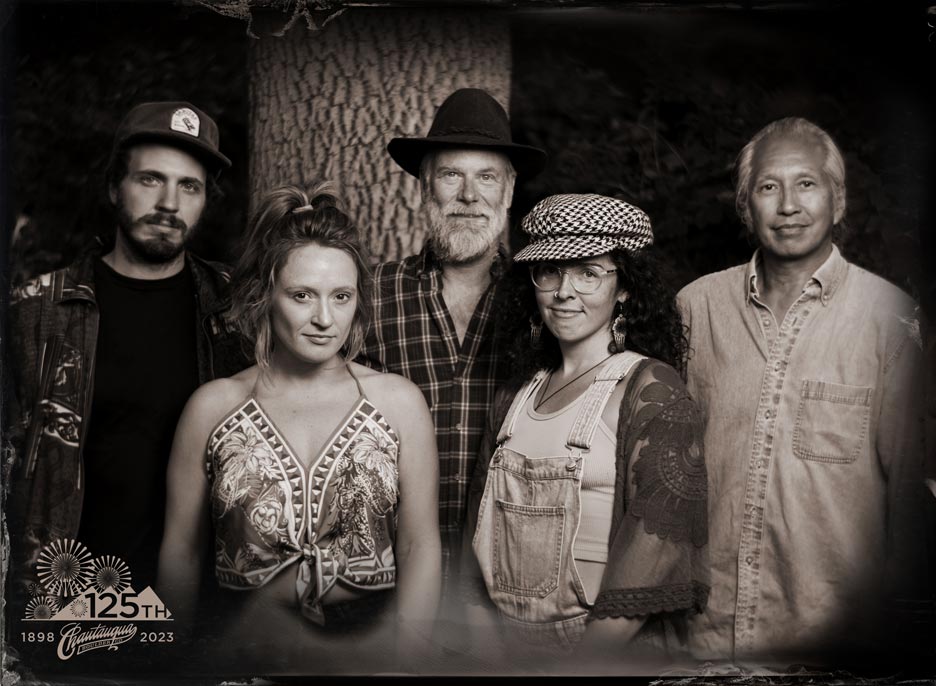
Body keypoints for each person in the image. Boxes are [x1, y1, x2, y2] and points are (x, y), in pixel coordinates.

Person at [678, 117, 936, 669]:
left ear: (838, 201)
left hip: (829, 653)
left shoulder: (890, 320)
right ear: (746, 208)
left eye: (807, 184)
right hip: (699, 644)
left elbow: (909, 501)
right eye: (769, 187)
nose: (788, 205)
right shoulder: (695, 309)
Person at [157, 183, 441, 672]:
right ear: (266, 294)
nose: (324, 318)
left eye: (341, 296)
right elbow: (181, 551)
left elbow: (420, 544)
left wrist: (407, 663)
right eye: (302, 295)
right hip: (241, 644)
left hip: (368, 649)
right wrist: (173, 666)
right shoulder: (213, 407)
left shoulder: (398, 403)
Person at [6, 101, 248, 594]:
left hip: (197, 607)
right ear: (115, 186)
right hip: (66, 604)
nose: (169, 204)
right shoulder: (36, 311)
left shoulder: (237, 311)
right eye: (150, 180)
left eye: (189, 186)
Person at [462, 193, 709, 665]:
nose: (564, 292)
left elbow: (654, 548)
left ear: (625, 288)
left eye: (588, 272)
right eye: (549, 271)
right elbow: (475, 532)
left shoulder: (650, 388)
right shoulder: (514, 396)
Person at [359, 88, 547, 583]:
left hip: (506, 584)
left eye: (486, 178)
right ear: (424, 189)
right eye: (451, 175)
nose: (469, 196)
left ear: (508, 192)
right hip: (385, 577)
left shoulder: (545, 303)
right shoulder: (368, 295)